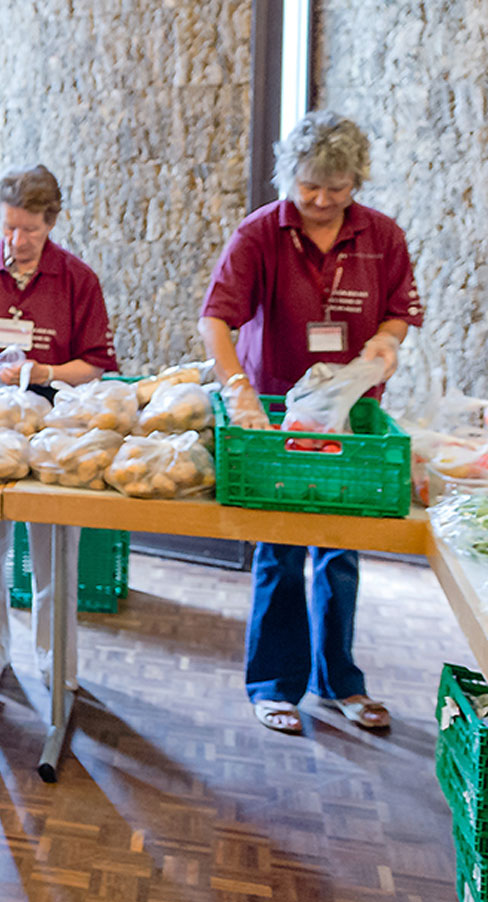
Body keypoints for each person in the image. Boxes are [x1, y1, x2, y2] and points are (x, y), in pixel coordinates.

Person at [199, 111, 421, 736]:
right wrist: (237, 389)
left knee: (340, 550)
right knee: (280, 547)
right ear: (288, 176)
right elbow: (215, 319)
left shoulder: (381, 236)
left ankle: (340, 681)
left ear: (357, 182)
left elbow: (400, 309)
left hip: (349, 415)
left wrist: (386, 339)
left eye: (337, 188)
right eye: (309, 186)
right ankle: (274, 685)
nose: (321, 200)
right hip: (275, 412)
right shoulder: (260, 234)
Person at [0, 164, 118, 693]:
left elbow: (95, 365)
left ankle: (57, 667)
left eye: (30, 230)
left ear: (51, 223)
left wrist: (44, 372)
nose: (17, 240)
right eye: (9, 227)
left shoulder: (77, 279)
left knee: (55, 554)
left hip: (55, 431)